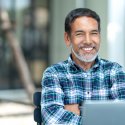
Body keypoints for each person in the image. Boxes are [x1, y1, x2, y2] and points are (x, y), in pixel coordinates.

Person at [41, 8, 125, 125]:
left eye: (94, 33)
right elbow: (53, 119)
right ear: (67, 38)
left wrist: (78, 110)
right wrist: (104, 118)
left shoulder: (114, 71)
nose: (88, 41)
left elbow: (122, 117)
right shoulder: (54, 73)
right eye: (80, 34)